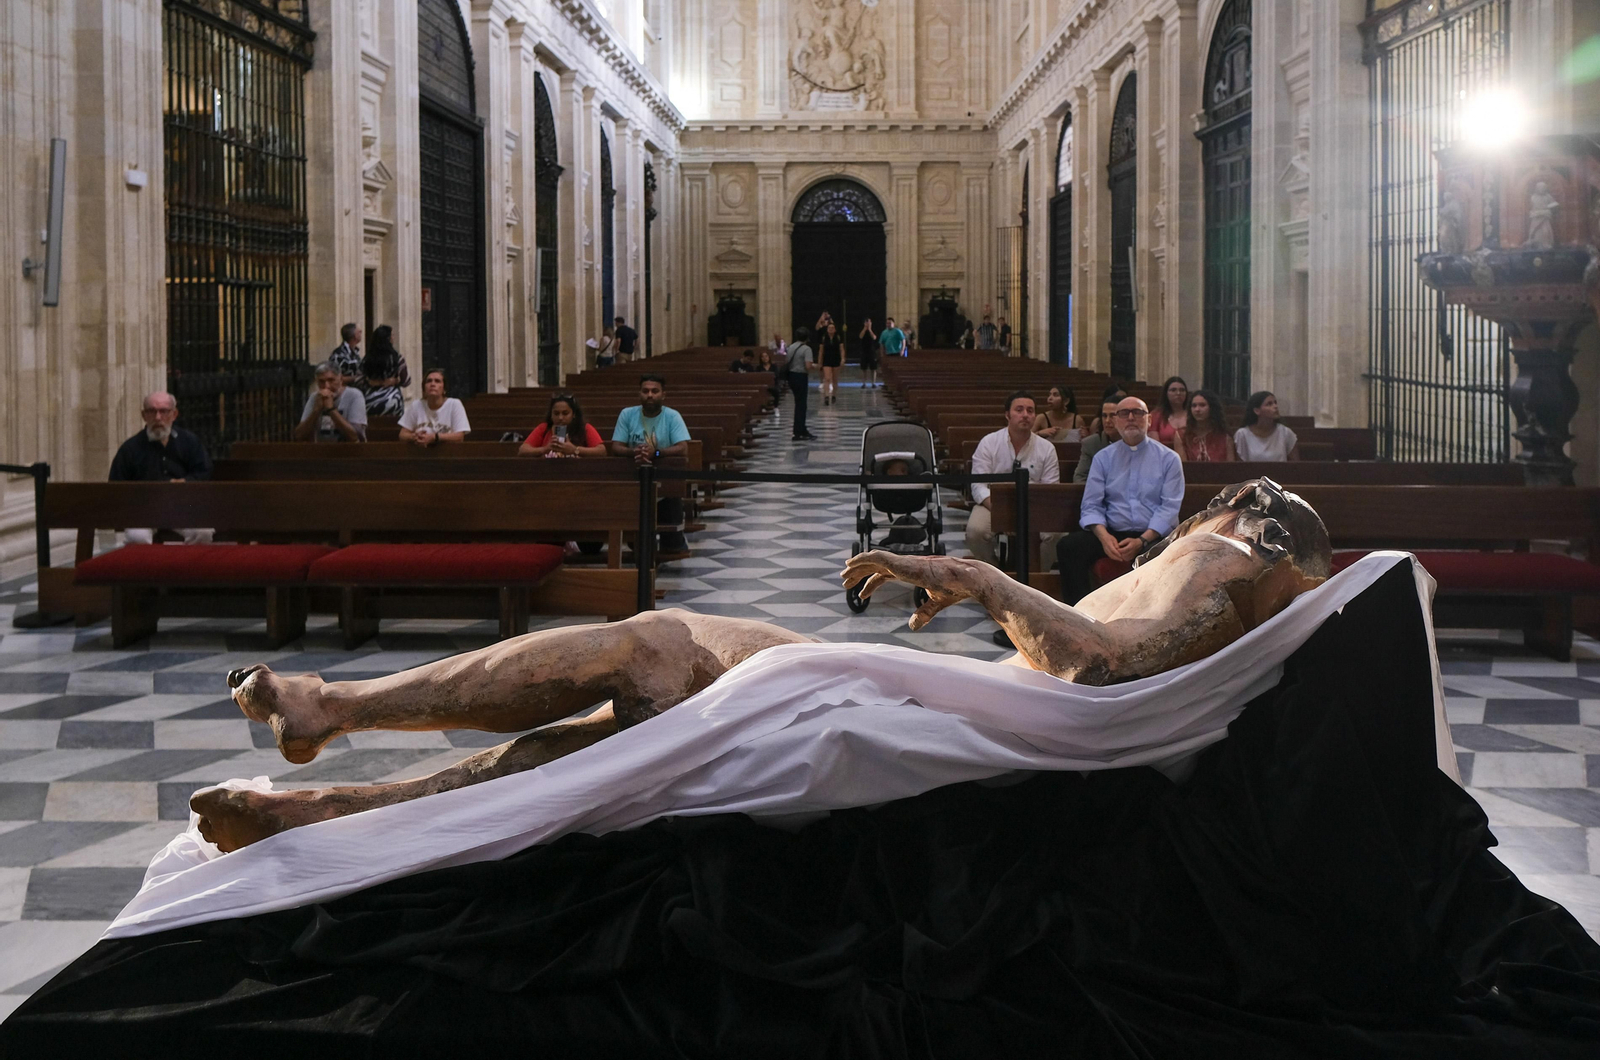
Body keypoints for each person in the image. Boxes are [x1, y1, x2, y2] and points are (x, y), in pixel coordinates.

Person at [193, 478, 1333, 852]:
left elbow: (1096, 666)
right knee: (673, 646)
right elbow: (1094, 656)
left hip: (1000, 726)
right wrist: (990, 602)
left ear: (1246, 514)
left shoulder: (1229, 553)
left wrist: (978, 577)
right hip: (993, 704)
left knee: (654, 663)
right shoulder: (1228, 565)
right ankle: (331, 744)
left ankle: (335, 743)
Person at [1055, 397, 1184, 606]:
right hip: (1112, 533)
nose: (1131, 418)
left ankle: (1156, 617)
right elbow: (1091, 505)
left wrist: (1141, 540)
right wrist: (1105, 538)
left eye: (1138, 413)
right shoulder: (1103, 459)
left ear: (1149, 420)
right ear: (1115, 421)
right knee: (1068, 547)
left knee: (1172, 552)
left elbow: (1169, 507)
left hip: (1152, 535)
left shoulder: (1168, 459)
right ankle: (1078, 614)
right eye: (1124, 413)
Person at [965, 390, 1061, 575]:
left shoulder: (1046, 448)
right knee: (975, 531)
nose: (1025, 415)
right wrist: (1000, 510)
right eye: (1019, 410)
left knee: (1054, 534)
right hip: (992, 504)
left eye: (1030, 411)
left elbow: (1050, 488)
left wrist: (1028, 511)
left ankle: (1035, 576)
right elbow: (978, 485)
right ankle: (995, 576)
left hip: (1035, 506)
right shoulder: (989, 443)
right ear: (1007, 414)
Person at [109, 391, 214, 546]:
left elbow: (204, 472)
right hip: (143, 511)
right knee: (137, 538)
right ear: (144, 415)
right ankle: (149, 570)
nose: (158, 418)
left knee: (203, 532)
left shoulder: (189, 441)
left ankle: (189, 569)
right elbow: (116, 485)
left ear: (174, 414)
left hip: (184, 506)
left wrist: (185, 482)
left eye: (164, 411)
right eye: (152, 411)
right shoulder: (130, 448)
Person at [610, 374, 691, 552]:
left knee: (673, 544)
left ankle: (673, 542)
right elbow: (616, 446)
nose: (650, 395)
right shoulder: (627, 414)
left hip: (665, 480)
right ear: (639, 394)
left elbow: (683, 447)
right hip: (632, 480)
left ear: (663, 395)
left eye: (655, 391)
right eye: (645, 391)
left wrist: (656, 452)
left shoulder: (672, 416)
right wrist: (635, 452)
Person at [294, 363, 368, 442]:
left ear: (340, 379)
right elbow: (299, 435)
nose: (327, 386)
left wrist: (331, 409)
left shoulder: (354, 395)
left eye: (331, 380)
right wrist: (316, 411)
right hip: (321, 450)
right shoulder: (315, 397)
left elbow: (355, 436)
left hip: (349, 450)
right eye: (321, 381)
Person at [397, 369, 470, 445]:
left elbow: (459, 437)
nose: (432, 384)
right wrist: (414, 436)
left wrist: (435, 437)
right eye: (429, 381)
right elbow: (402, 435)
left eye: (437, 381)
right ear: (424, 389)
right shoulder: (416, 405)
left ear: (444, 389)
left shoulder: (454, 404)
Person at [520, 394, 606, 458]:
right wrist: (545, 449)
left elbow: (601, 450)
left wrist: (575, 450)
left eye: (565, 413)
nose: (560, 418)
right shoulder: (544, 428)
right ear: (551, 415)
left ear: (574, 414)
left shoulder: (584, 428)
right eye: (556, 413)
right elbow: (523, 450)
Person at [359, 325, 410, 418]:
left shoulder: (367, 359)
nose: (393, 338)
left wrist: (374, 382)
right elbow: (406, 381)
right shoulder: (396, 358)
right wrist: (395, 381)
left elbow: (359, 379)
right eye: (392, 336)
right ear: (388, 339)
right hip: (392, 400)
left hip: (369, 400)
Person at [1235, 391, 1301, 462]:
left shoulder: (1285, 433)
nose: (1275, 406)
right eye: (1269, 404)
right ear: (1257, 410)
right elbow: (1240, 467)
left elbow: (1296, 465)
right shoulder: (1242, 434)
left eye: (1275, 403)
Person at [1175, 389, 1234, 462]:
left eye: (1202, 405)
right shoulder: (1181, 435)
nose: (1197, 409)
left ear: (1212, 408)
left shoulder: (1225, 437)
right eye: (1194, 406)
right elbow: (1183, 467)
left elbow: (1230, 468)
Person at [1074, 398, 1124, 483]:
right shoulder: (1091, 443)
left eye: (1112, 415)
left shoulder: (1134, 441)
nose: (1107, 421)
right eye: (1104, 416)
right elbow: (1080, 477)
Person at [782, 327, 819, 440]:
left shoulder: (791, 347)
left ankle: (799, 429)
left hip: (791, 376)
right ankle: (799, 431)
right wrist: (815, 366)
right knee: (801, 405)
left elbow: (787, 361)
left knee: (798, 404)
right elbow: (808, 366)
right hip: (800, 376)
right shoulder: (806, 349)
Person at [1149, 376, 1189, 449]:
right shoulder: (1156, 415)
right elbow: (1155, 445)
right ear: (1166, 393)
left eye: (1182, 390)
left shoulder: (1192, 414)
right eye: (1173, 390)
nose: (1178, 393)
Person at [328, 323, 364, 390]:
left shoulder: (355, 352)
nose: (361, 332)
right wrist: (358, 378)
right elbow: (334, 376)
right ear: (354, 335)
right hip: (343, 392)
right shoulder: (338, 354)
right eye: (359, 331)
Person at [819, 320, 843, 405]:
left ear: (835, 329)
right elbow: (821, 351)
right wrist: (820, 362)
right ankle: (826, 396)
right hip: (827, 360)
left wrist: (843, 359)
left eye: (832, 328)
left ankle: (834, 395)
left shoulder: (838, 337)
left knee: (835, 379)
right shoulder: (824, 338)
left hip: (836, 359)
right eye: (829, 328)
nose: (831, 329)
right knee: (827, 378)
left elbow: (841, 349)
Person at [858, 318, 879, 388]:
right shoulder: (862, 330)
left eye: (869, 322)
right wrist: (865, 328)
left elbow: (874, 337)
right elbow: (860, 336)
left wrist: (869, 329)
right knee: (864, 368)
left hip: (872, 351)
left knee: (873, 368)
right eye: (866, 322)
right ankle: (864, 383)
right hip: (864, 351)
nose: (868, 323)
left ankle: (873, 383)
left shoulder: (873, 329)